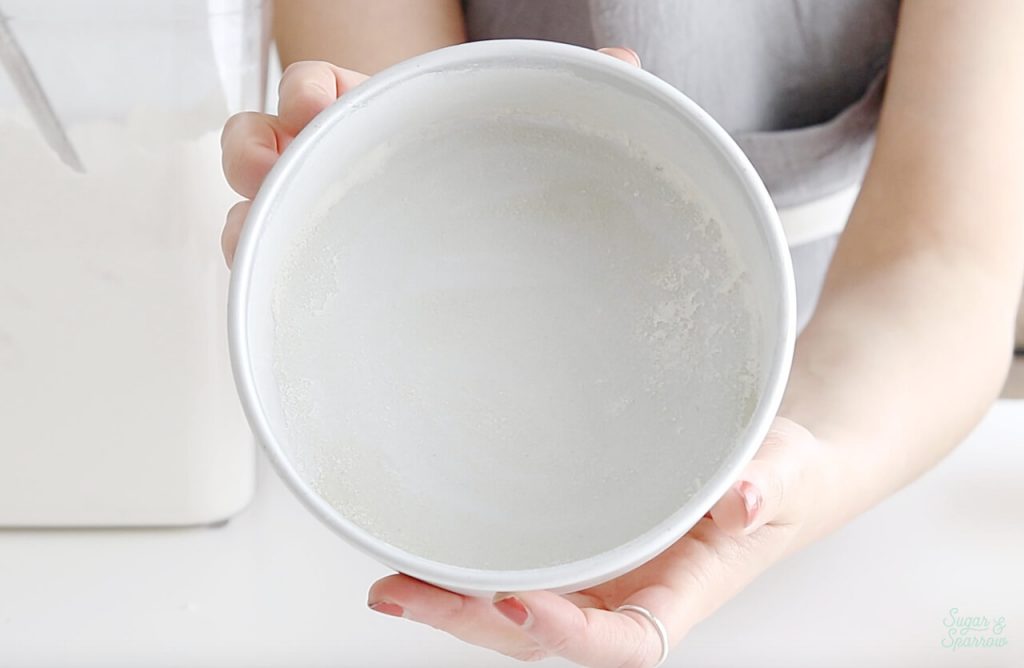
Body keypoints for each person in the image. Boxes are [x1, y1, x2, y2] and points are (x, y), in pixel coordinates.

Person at [219, 1, 1024, 666]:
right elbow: (387, 160)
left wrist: (794, 471)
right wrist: (329, 183)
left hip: (857, 417)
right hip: (429, 445)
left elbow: (941, 260)